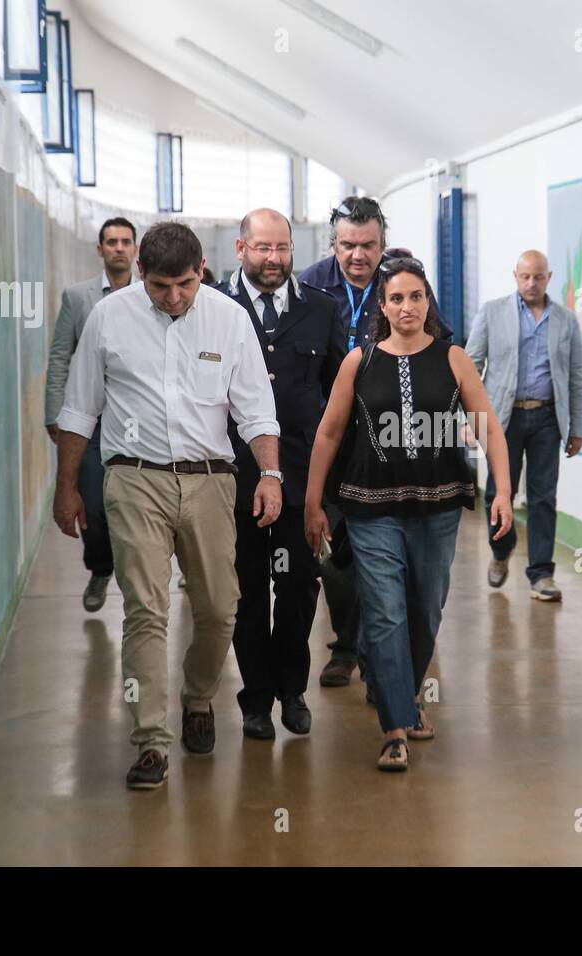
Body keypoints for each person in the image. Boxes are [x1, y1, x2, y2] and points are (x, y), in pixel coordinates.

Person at [53, 222, 282, 789]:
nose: (173, 297)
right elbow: (80, 408)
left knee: (219, 610)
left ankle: (198, 697)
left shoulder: (229, 319)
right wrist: (66, 486)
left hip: (210, 480)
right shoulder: (110, 317)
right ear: (141, 275)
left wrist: (270, 474)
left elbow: (255, 408)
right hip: (134, 480)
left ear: (201, 268)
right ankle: (151, 741)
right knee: (146, 612)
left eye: (183, 284)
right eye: (159, 286)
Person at [305, 257, 512, 772]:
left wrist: (503, 491)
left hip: (438, 508)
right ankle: (395, 726)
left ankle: (399, 689)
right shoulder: (361, 360)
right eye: (396, 298)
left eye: (415, 297)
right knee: (386, 612)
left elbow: (488, 428)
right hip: (372, 507)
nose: (406, 307)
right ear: (382, 305)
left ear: (427, 303)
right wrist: (313, 502)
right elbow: (329, 433)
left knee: (426, 611)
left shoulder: (454, 358)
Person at [298, 196, 450, 688]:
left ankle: (387, 658)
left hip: (395, 447)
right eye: (347, 245)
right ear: (332, 244)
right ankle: (347, 646)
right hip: (335, 440)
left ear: (383, 242)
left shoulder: (403, 283)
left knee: (396, 556)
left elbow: (439, 346)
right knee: (340, 556)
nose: (358, 255)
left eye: (367, 245)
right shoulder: (310, 287)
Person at [218, 209, 346, 740]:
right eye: (262, 248)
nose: (273, 259)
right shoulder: (215, 309)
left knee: (297, 591)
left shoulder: (322, 309)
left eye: (282, 249)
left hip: (299, 481)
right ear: (241, 249)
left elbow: (340, 394)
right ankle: (254, 700)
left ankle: (292, 691)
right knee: (245, 594)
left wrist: (335, 486)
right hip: (235, 480)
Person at [465, 249, 582, 601]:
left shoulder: (564, 320)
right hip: (502, 417)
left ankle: (540, 575)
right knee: (495, 495)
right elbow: (470, 367)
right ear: (515, 276)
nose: (531, 283)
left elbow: (577, 376)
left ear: (549, 278)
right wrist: (470, 420)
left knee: (543, 496)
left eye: (538, 276)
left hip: (548, 417)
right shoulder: (492, 313)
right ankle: (502, 551)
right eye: (525, 276)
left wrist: (577, 426)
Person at [44, 216, 137, 612]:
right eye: (111, 242)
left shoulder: (150, 294)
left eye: (125, 241)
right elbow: (60, 358)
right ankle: (100, 567)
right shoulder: (78, 298)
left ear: (135, 248)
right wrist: (55, 414)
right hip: (91, 423)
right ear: (100, 249)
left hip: (138, 420)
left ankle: (143, 582)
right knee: (94, 506)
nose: (118, 247)